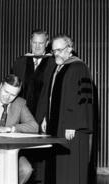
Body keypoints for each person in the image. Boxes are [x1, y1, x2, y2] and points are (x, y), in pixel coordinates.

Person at [39, 35, 94, 184]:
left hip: (71, 128)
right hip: (56, 124)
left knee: (69, 168)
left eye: (60, 50)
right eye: (54, 50)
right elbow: (50, 97)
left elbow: (83, 99)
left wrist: (73, 124)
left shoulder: (78, 67)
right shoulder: (57, 68)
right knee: (57, 166)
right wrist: (46, 117)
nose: (56, 53)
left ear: (70, 49)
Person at [12, 29, 56, 124]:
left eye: (41, 43)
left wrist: (47, 116)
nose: (37, 46)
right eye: (34, 42)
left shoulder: (53, 63)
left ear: (47, 43)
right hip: (20, 114)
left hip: (43, 115)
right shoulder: (20, 62)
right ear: (30, 42)